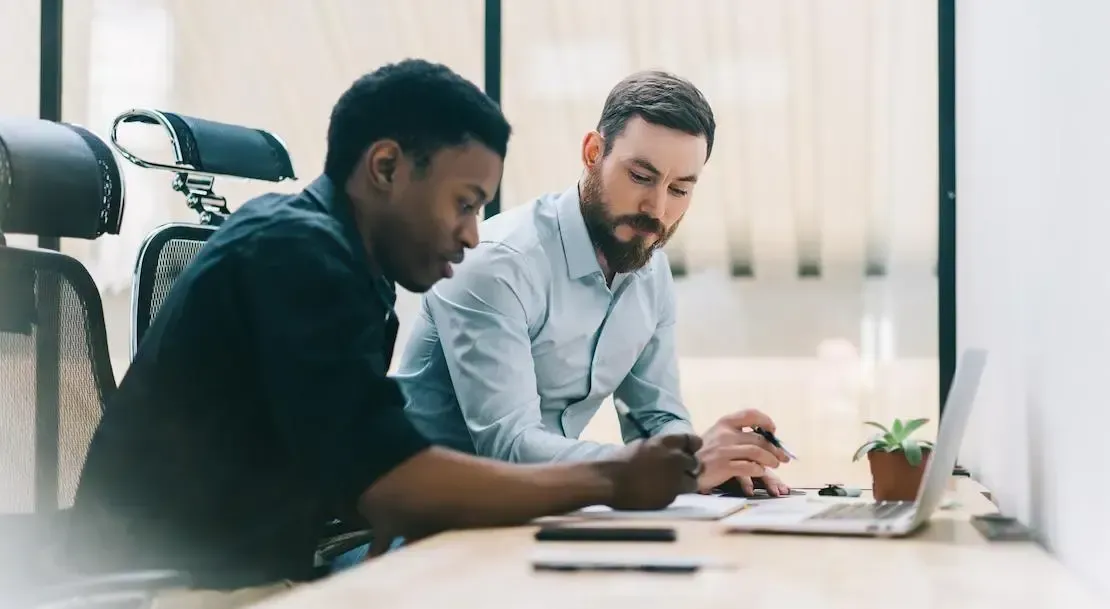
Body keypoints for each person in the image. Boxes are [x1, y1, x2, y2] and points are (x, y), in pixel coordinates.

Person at [65, 60, 702, 608]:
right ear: (387, 167)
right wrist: (612, 478)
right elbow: (393, 479)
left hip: (251, 573)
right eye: (464, 203)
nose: (472, 235)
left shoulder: (351, 272)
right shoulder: (297, 254)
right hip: (175, 589)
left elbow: (365, 471)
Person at [395, 70, 791, 498]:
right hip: (425, 513)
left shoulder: (650, 270)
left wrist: (714, 462)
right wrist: (684, 467)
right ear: (592, 152)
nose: (656, 208)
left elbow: (656, 419)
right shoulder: (498, 264)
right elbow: (509, 448)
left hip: (536, 508)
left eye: (679, 189)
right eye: (640, 177)